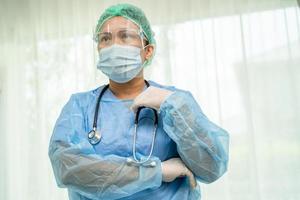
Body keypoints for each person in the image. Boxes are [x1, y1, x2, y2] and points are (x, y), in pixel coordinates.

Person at [48, 3, 229, 200]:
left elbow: (211, 167)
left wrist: (172, 107)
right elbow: (69, 169)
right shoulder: (80, 106)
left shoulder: (175, 102)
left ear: (148, 50)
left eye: (125, 36)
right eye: (105, 38)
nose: (113, 45)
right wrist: (156, 171)